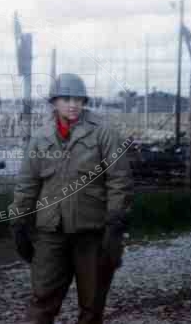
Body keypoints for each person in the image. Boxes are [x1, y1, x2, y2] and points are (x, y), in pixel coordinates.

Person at [9, 73, 134, 324]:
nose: (73, 104)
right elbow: (27, 184)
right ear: (54, 102)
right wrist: (19, 221)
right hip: (51, 232)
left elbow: (119, 181)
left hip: (93, 232)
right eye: (66, 98)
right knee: (42, 298)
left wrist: (114, 225)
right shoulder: (40, 138)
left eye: (78, 99)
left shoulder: (103, 133)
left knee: (92, 304)